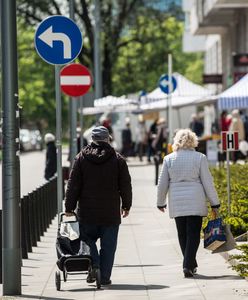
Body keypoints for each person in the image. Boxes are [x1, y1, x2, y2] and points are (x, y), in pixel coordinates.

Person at [65, 126, 132, 285]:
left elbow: (73, 185)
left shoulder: (81, 158)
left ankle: (94, 265)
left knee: (87, 240)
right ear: (108, 139)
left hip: (87, 212)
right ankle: (105, 276)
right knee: (109, 247)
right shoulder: (118, 159)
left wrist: (69, 207)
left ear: (92, 140)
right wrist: (126, 205)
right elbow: (125, 185)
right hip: (110, 213)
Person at [157, 128, 220, 278]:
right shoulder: (200, 157)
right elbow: (207, 182)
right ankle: (188, 264)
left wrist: (160, 202)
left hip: (177, 201)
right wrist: (214, 203)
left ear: (176, 141)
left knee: (182, 234)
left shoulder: (169, 159)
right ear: (193, 141)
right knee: (193, 234)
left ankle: (189, 263)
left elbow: (162, 183)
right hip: (195, 200)